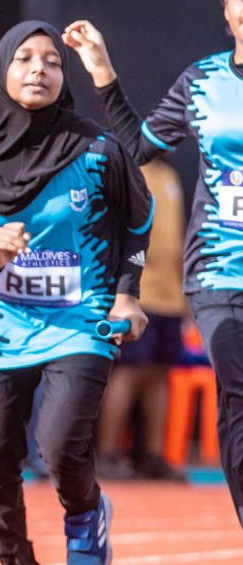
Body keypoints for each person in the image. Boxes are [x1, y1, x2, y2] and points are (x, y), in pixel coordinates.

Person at [0, 21, 150, 565]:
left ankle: (84, 511)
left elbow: (140, 218)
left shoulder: (97, 149)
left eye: (52, 61)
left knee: (58, 443)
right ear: (2, 72)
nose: (39, 69)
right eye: (25, 59)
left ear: (64, 78)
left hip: (81, 320)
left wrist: (127, 293)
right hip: (1, 327)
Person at [67, 0, 243, 531]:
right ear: (226, 9)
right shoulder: (204, 81)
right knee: (239, 396)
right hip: (221, 273)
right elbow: (139, 147)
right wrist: (100, 68)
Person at [96, 158, 189, 481]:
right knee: (127, 371)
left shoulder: (171, 175)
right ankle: (106, 453)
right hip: (138, 292)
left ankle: (152, 455)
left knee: (160, 373)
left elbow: (176, 237)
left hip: (171, 295)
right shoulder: (127, 173)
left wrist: (185, 292)